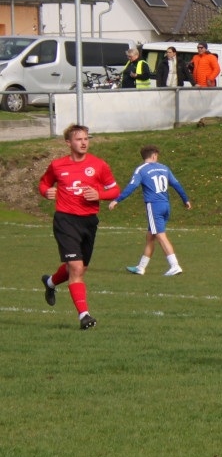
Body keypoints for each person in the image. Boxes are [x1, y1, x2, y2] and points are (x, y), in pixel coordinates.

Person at [38, 124, 120, 330]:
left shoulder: (99, 165)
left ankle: (50, 283)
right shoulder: (57, 165)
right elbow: (44, 183)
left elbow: (115, 189)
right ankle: (84, 316)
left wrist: (99, 195)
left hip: (89, 222)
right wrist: (46, 192)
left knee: (79, 268)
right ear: (68, 143)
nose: (84, 143)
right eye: (79, 139)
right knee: (75, 268)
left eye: (86, 139)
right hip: (65, 220)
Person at [108, 145, 192, 276]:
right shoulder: (164, 168)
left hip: (154, 206)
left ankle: (175, 265)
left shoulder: (141, 170)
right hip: (165, 205)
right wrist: (185, 199)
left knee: (160, 235)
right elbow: (176, 184)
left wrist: (117, 200)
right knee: (150, 237)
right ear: (153, 155)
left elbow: (132, 186)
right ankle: (141, 267)